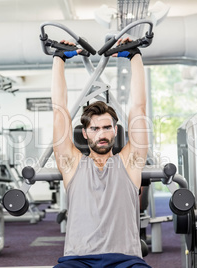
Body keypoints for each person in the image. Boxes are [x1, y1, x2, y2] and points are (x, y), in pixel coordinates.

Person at [51, 38, 151, 268]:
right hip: (78, 261)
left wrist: (135, 56)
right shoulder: (71, 164)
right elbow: (59, 111)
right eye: (94, 129)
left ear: (115, 131)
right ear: (85, 134)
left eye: (107, 127)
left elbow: (139, 108)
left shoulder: (130, 162)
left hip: (126, 261)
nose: (101, 134)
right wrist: (58, 58)